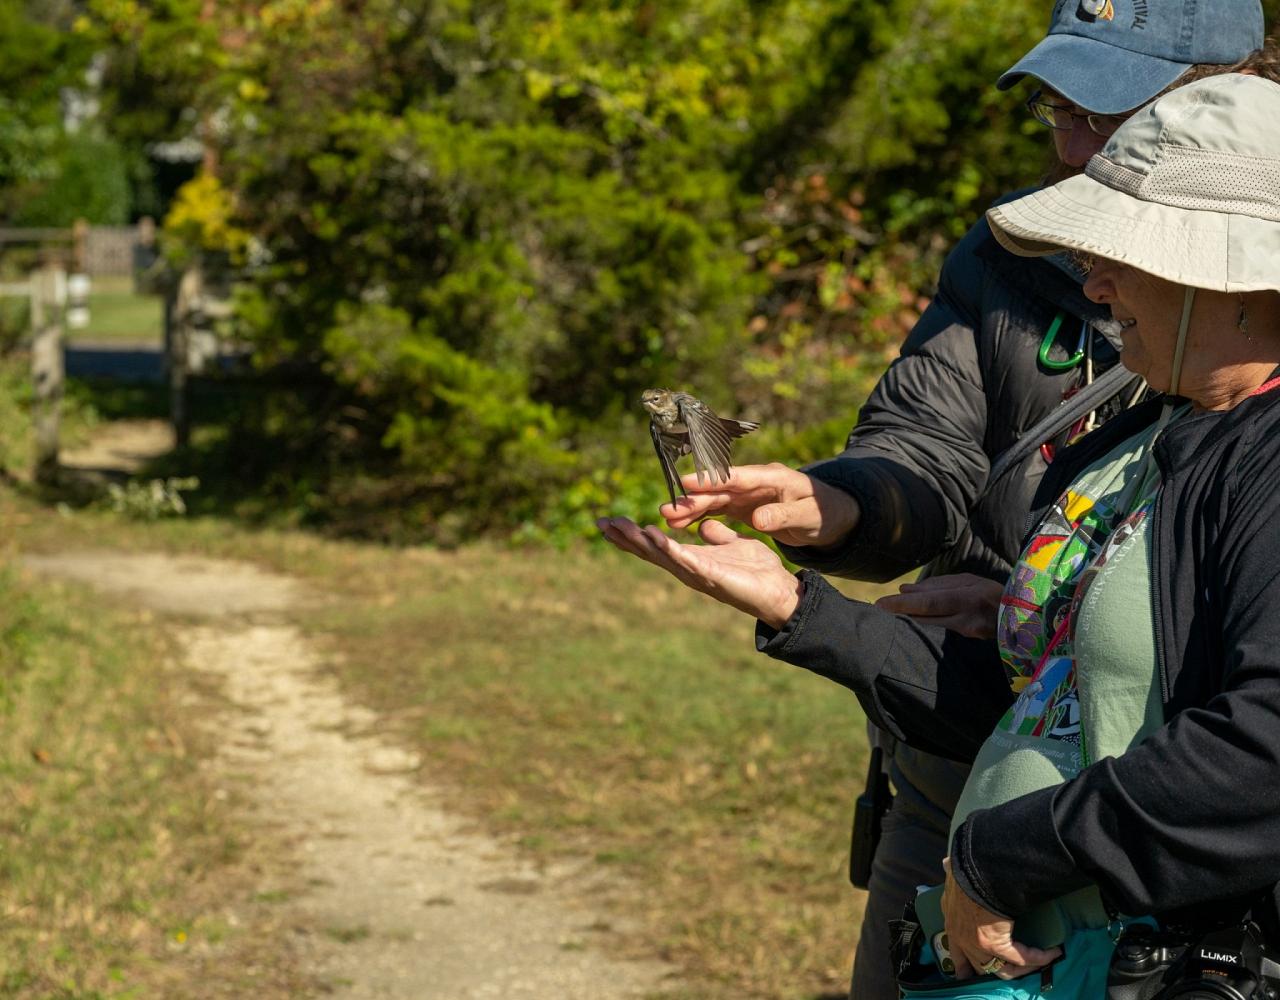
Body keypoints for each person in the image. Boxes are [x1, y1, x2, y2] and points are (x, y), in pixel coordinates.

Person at [601, 71, 1280, 999]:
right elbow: (1046, 705)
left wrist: (1005, 860)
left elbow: (1262, 752)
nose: (1093, 280)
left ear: (1231, 274)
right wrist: (800, 605)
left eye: (1126, 251)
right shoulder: (1149, 436)